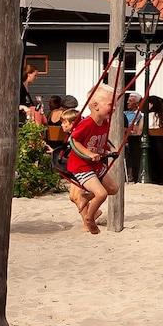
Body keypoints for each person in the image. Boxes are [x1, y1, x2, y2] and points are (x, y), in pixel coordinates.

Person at [64, 88, 119, 234]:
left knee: (113, 189)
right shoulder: (87, 123)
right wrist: (89, 153)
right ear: (95, 106)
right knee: (101, 194)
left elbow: (99, 141)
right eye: (111, 104)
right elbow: (74, 140)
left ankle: (86, 196)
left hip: (96, 164)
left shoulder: (105, 123)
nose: (114, 108)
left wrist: (107, 150)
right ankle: (89, 218)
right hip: (81, 165)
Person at [140, 94, 163, 186]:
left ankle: (153, 178)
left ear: (151, 105)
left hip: (151, 142)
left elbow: (140, 130)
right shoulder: (161, 117)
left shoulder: (147, 116)